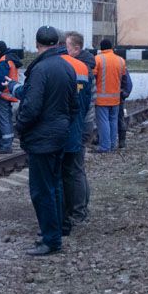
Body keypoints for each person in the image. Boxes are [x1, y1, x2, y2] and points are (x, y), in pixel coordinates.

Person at [10, 26, 78, 256]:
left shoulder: (40, 70)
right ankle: (56, 231)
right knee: (55, 185)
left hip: (42, 137)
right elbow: (74, 105)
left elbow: (31, 106)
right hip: (59, 134)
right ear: (57, 42)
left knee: (42, 190)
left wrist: (19, 127)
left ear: (37, 44)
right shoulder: (67, 66)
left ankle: (50, 239)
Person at [60, 31, 92, 233]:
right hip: (83, 124)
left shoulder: (79, 68)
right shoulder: (86, 66)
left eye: (67, 47)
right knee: (77, 168)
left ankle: (78, 211)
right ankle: (80, 208)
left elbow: (80, 103)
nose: (64, 50)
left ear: (77, 49)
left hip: (79, 125)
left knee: (75, 169)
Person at [92, 39, 127, 153]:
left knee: (103, 122)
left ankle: (105, 147)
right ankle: (112, 145)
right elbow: (124, 78)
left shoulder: (97, 59)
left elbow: (93, 76)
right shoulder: (121, 60)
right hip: (116, 98)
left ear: (101, 48)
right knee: (113, 121)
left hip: (102, 98)